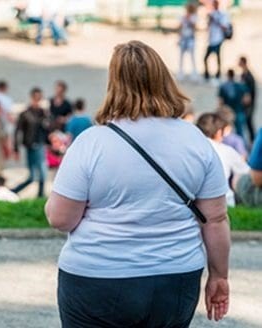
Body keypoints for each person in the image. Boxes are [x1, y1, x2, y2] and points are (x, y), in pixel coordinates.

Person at [46, 40, 230, 328]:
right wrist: (219, 277)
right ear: (164, 80)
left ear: (113, 84)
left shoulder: (92, 143)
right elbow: (216, 219)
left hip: (97, 278)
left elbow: (60, 219)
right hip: (175, 279)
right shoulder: (195, 140)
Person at [197, 113, 249, 206]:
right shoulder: (226, 150)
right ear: (218, 132)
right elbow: (246, 172)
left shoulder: (193, 149)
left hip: (196, 203)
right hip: (224, 202)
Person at [12, 87, 50, 198]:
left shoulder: (43, 113)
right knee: (35, 174)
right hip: (31, 146)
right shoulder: (25, 114)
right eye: (36, 98)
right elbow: (17, 131)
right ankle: (14, 191)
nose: (37, 101)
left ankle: (39, 195)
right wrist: (16, 148)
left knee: (39, 174)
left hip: (41, 144)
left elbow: (47, 129)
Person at [218, 69, 250, 139]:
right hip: (239, 111)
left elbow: (220, 102)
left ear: (227, 75)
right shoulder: (240, 86)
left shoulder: (223, 86)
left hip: (227, 113)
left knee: (225, 133)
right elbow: (247, 100)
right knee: (240, 132)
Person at [203, 0, 229, 83]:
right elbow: (207, 26)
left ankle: (218, 74)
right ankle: (207, 74)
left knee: (217, 57)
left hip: (218, 39)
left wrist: (216, 21)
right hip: (211, 39)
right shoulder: (212, 14)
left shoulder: (222, 14)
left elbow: (225, 27)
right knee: (206, 58)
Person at [178, 3, 198, 81]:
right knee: (181, 56)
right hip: (183, 38)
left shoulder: (194, 17)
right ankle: (180, 72)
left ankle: (194, 73)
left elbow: (194, 27)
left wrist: (189, 19)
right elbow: (180, 27)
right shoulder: (182, 17)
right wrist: (179, 38)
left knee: (192, 56)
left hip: (190, 38)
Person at [239, 56, 257, 142]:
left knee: (249, 122)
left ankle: (253, 139)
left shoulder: (249, 77)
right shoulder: (243, 75)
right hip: (245, 105)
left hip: (250, 105)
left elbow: (249, 93)